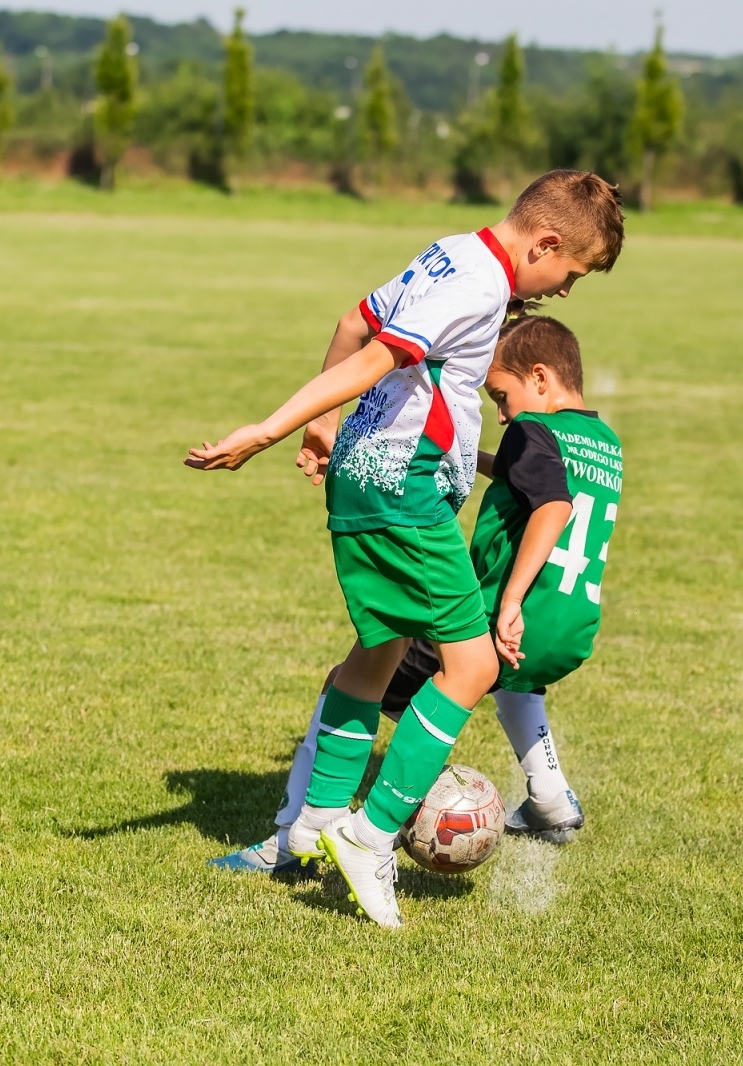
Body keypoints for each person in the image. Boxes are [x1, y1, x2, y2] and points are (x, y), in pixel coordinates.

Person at [187, 171, 625, 927]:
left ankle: (313, 825)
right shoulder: (479, 286)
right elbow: (374, 358)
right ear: (546, 242)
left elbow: (353, 319)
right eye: (570, 275)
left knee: (378, 653)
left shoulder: (454, 253)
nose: (562, 290)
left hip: (378, 476)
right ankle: (370, 833)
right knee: (474, 663)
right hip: (401, 485)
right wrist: (272, 427)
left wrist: (325, 428)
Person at [214, 315, 623, 876]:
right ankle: (550, 795)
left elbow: (551, 503)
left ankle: (302, 835)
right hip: (569, 626)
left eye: (502, 398)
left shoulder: (533, 432)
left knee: (353, 680)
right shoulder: (604, 442)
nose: (502, 414)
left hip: (504, 611)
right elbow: (526, 475)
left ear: (541, 377)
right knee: (508, 676)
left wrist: (508, 604)